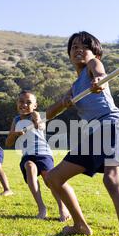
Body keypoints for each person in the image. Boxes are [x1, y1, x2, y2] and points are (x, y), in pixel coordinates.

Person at [45, 32, 119, 236]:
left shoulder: (93, 65)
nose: (78, 50)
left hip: (113, 126)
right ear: (69, 54)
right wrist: (64, 102)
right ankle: (80, 225)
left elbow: (101, 74)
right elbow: (48, 114)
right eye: (74, 47)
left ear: (95, 52)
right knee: (53, 178)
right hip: (93, 135)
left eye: (84, 47)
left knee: (112, 179)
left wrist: (100, 81)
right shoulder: (75, 86)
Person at [6, 91, 71, 221]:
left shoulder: (35, 114)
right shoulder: (16, 120)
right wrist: (15, 134)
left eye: (28, 102)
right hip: (27, 154)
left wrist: (37, 124)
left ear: (35, 106)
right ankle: (41, 207)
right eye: (21, 101)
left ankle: (62, 208)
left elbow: (40, 124)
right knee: (29, 167)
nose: (24, 104)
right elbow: (8, 142)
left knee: (49, 180)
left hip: (43, 153)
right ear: (17, 104)